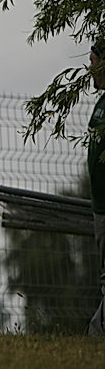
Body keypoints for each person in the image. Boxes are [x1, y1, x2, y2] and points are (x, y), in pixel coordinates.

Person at [86, 38, 105, 336]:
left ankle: (97, 332)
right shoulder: (102, 103)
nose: (89, 69)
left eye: (92, 62)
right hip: (100, 207)